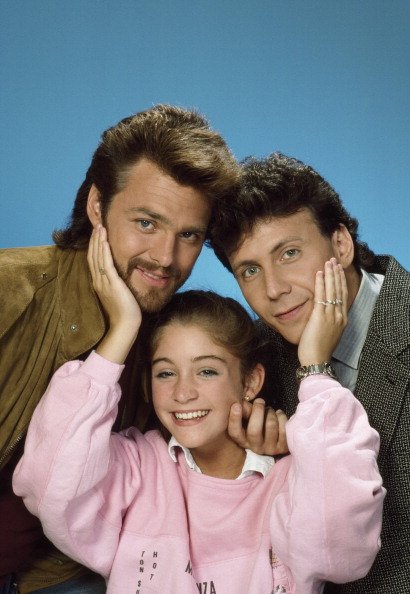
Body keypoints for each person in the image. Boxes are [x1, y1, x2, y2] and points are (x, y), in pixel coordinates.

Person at [13, 227, 384, 594]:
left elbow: (343, 555)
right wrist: (122, 329)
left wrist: (316, 371)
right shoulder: (137, 468)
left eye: (206, 371)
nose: (183, 392)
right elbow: (49, 489)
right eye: (165, 372)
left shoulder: (293, 481)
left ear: (251, 382)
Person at [0, 103, 245, 594]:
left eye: (189, 236)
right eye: (147, 223)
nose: (165, 258)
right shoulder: (10, 288)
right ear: (97, 206)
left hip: (66, 575)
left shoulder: (174, 344)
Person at [209, 151, 410, 593]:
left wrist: (315, 368)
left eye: (290, 253)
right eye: (250, 270)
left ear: (341, 243)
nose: (274, 289)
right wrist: (265, 458)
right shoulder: (254, 357)